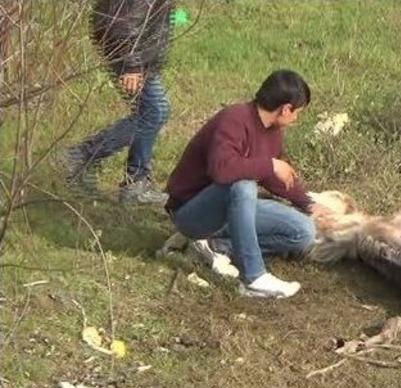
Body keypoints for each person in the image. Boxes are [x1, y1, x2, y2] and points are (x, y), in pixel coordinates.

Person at [165, 69, 326, 298]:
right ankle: (254, 278)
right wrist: (271, 165)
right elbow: (222, 170)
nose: (296, 119)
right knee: (243, 185)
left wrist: (308, 204)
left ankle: (215, 245)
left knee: (303, 231)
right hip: (192, 212)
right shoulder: (234, 119)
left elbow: (273, 177)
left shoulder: (273, 131)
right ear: (285, 108)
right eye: (297, 112)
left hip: (231, 210)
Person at [65, 0, 174, 204]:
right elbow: (119, 21)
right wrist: (130, 64)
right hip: (130, 52)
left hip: (138, 51)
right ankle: (83, 155)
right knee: (154, 112)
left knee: (151, 111)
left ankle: (136, 182)